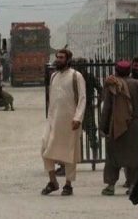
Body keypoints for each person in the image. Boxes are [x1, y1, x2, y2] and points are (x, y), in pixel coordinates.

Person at [100, 60, 138, 196]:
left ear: (116, 71)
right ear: (129, 71)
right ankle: (133, 184)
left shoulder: (112, 86)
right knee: (135, 157)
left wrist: (103, 127)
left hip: (116, 125)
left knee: (113, 157)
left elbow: (107, 108)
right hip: (136, 125)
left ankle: (110, 185)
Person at [41, 49, 86, 197]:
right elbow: (52, 99)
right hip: (53, 120)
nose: (58, 59)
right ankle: (52, 181)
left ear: (68, 60)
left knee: (69, 153)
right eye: (57, 57)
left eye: (61, 57)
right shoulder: (54, 76)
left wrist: (78, 118)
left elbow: (82, 98)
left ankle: (68, 184)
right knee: (45, 147)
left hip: (70, 121)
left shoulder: (76, 76)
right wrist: (49, 118)